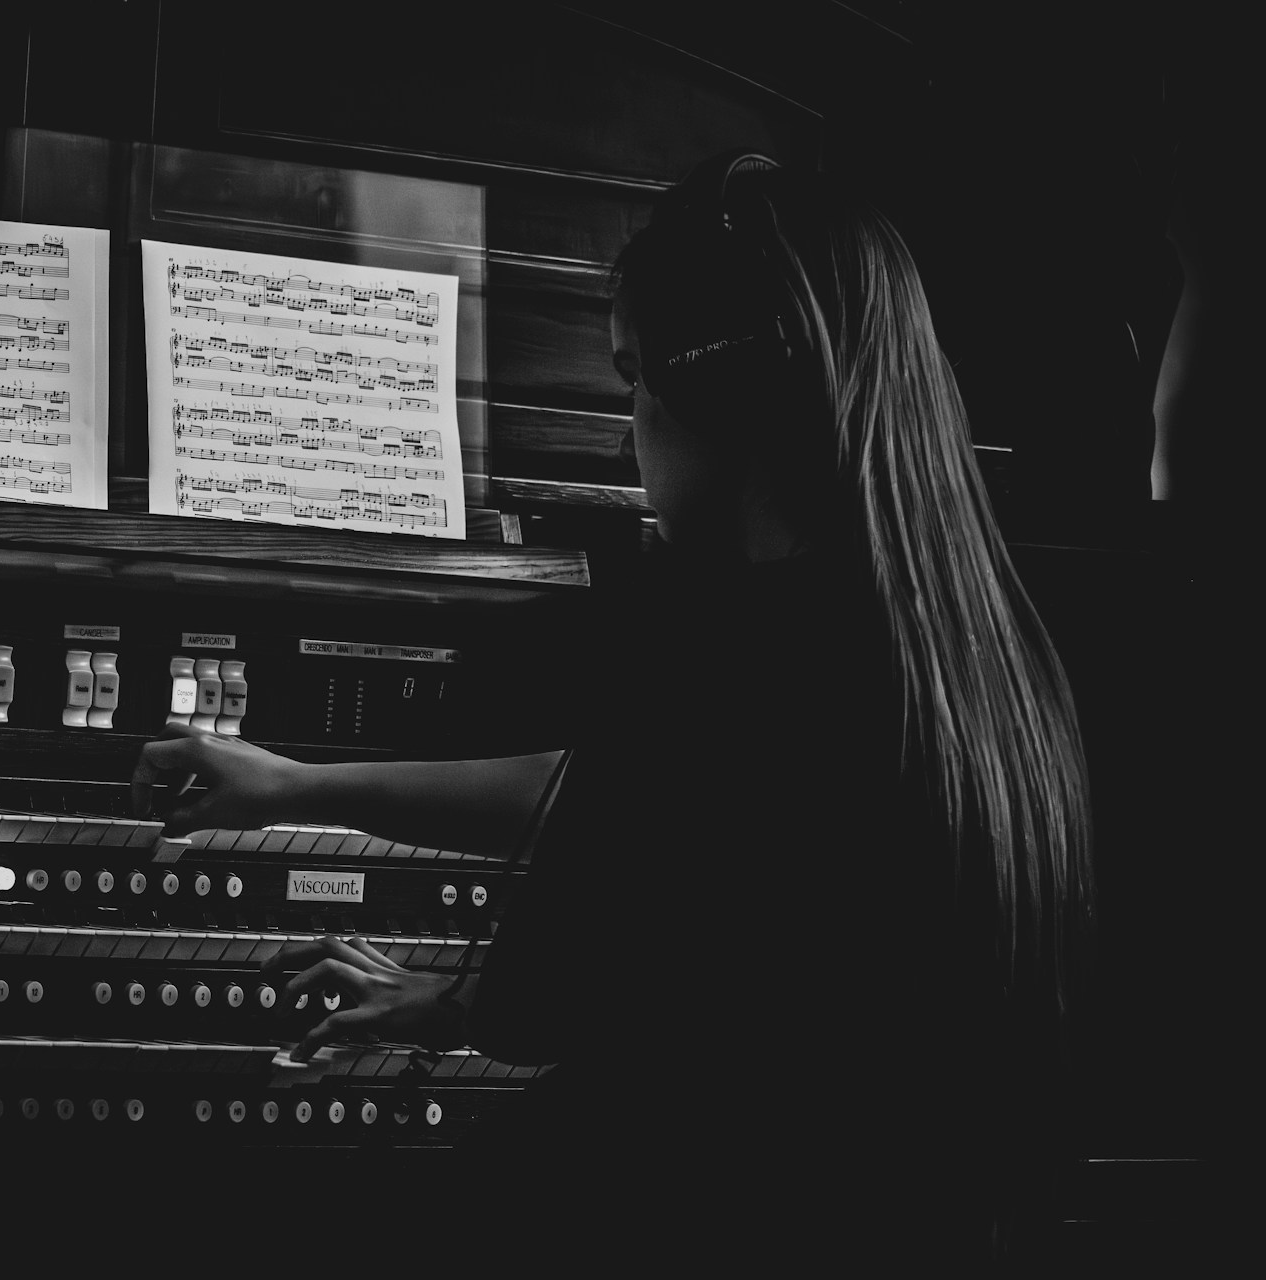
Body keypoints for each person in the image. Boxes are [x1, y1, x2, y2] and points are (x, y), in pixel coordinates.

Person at [131, 153, 1093, 1270]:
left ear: (725, 393)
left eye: (635, 378)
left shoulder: (739, 648)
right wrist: (301, 787)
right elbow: (641, 822)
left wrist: (458, 1002)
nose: (622, 429)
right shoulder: (971, 642)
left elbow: (571, 974)